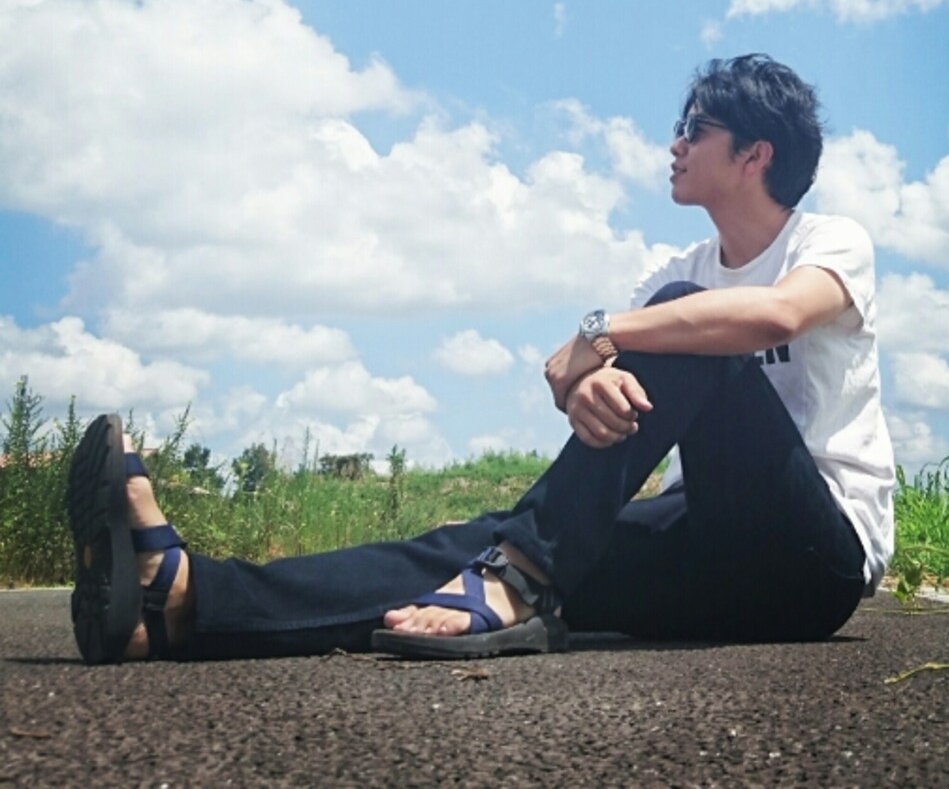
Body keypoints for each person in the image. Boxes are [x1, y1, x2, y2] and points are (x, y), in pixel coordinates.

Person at [67, 53, 894, 664]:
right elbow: (577, 376)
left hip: (810, 563)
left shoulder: (826, 242)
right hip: (704, 556)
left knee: (680, 322)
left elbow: (772, 316)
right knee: (479, 546)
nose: (674, 144)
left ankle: (523, 576)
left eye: (696, 130)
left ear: (754, 154)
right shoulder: (674, 270)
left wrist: (605, 335)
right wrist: (592, 386)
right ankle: (183, 601)